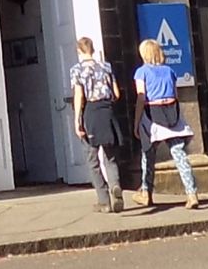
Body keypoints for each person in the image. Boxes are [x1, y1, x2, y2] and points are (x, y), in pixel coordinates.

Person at [132, 38, 199, 210]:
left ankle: (146, 192)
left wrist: (136, 121)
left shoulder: (141, 72)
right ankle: (192, 194)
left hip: (152, 115)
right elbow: (176, 94)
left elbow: (141, 97)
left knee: (148, 156)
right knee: (179, 154)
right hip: (172, 114)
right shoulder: (169, 70)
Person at [67, 36, 123, 213]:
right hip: (107, 111)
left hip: (90, 112)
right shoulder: (106, 67)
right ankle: (115, 185)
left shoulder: (77, 70)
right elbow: (116, 93)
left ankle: (104, 200)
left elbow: (79, 96)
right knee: (110, 156)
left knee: (92, 159)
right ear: (92, 49)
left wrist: (77, 120)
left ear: (79, 51)